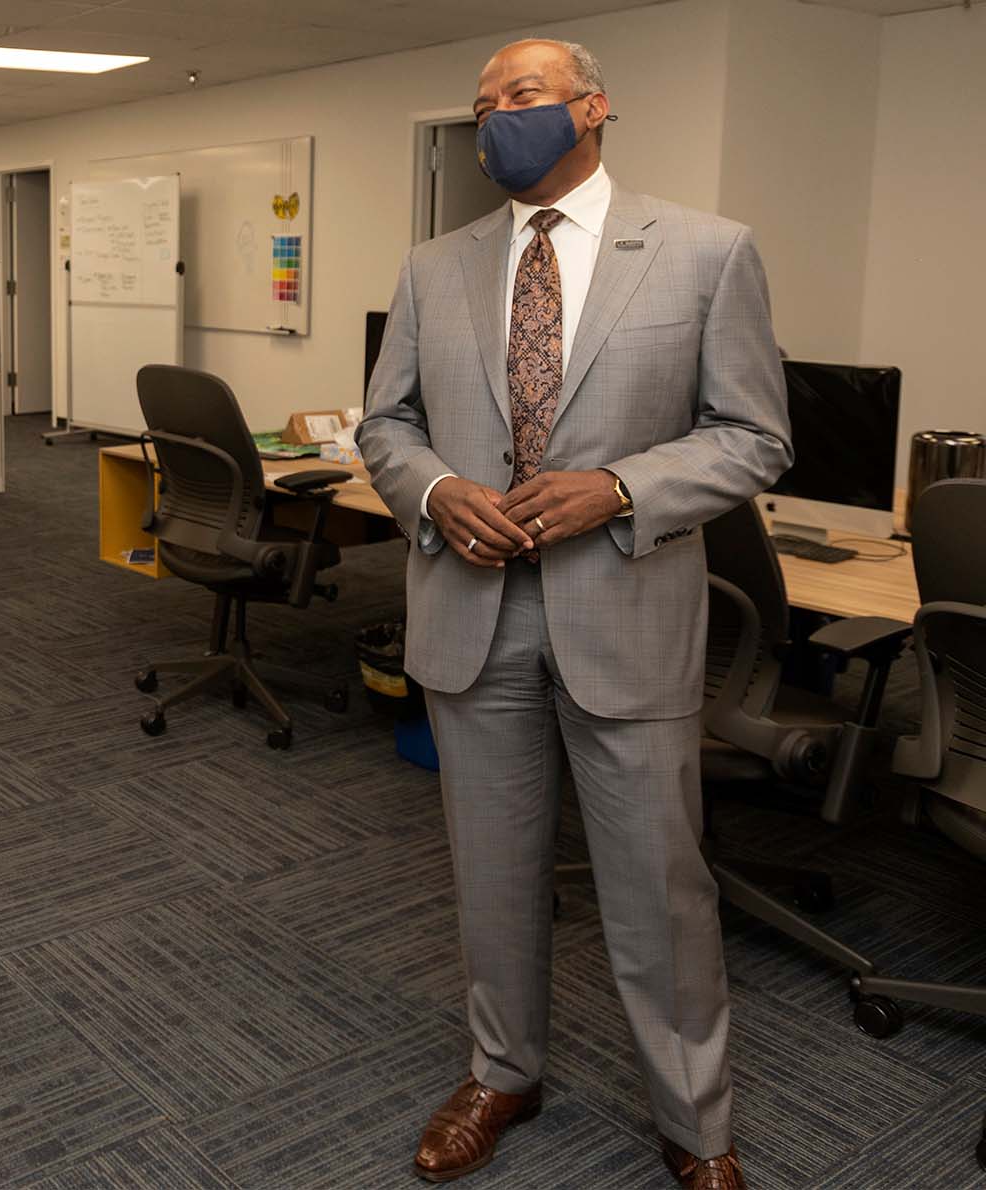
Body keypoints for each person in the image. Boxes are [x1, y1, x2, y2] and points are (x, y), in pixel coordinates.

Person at [358, 38, 791, 1190]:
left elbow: (754, 436)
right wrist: (437, 490)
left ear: (592, 107)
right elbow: (384, 425)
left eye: (525, 97)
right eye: (484, 104)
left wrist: (619, 487)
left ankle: (695, 1125)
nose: (498, 117)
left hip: (626, 613)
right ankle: (502, 1071)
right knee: (490, 874)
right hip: (469, 612)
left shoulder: (704, 250)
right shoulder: (431, 265)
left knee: (658, 884)